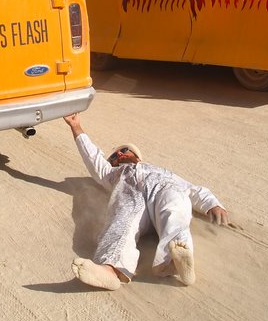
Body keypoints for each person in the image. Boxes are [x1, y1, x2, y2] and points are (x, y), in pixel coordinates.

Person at [62, 112, 228, 290]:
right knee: (120, 223)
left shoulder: (162, 171)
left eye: (124, 150)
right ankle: (109, 270)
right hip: (130, 194)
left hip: (164, 188)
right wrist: (76, 127)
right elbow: (93, 158)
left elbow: (192, 189)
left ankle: (176, 260)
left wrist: (212, 204)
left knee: (175, 210)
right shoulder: (113, 174)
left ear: (138, 157)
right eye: (114, 156)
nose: (119, 154)